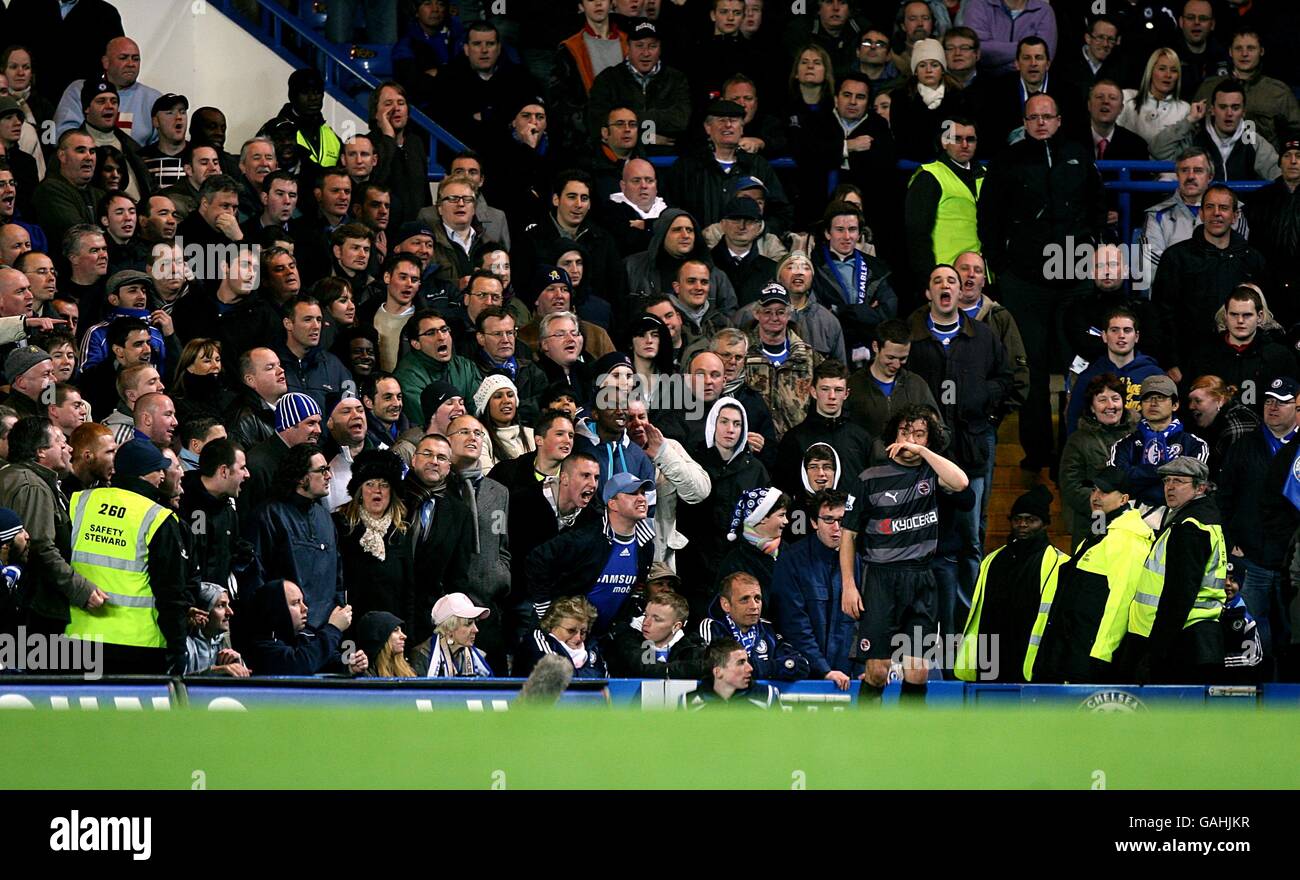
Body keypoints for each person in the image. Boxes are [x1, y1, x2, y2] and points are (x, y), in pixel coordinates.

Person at [978, 92, 1105, 471]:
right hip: (1025, 280)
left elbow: (1097, 204)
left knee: (1078, 364)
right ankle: (1036, 451)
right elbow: (989, 217)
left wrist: (1094, 246)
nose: (1041, 123)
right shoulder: (1007, 161)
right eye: (1033, 117)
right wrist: (1001, 265)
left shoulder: (1079, 154)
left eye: (1047, 116)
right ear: (1024, 122)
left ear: (1060, 119)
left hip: (1075, 275)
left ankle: (1074, 447)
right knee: (1029, 368)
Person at [840, 405, 969, 705]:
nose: (910, 439)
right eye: (904, 432)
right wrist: (849, 584)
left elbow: (961, 482)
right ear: (892, 434)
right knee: (878, 670)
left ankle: (910, 741)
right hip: (880, 581)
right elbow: (848, 535)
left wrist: (922, 452)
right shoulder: (868, 478)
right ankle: (864, 739)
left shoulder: (932, 473)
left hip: (922, 579)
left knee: (919, 671)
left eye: (919, 434)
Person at [63, 439, 188, 674]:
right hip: (138, 643)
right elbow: (171, 591)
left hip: (79, 635)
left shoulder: (80, 502)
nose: (162, 475)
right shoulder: (157, 517)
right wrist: (178, 646)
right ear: (142, 474)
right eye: (157, 469)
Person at [1030, 465, 1153, 683]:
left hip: (1089, 654)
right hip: (1073, 647)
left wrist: (1102, 653)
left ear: (1124, 499)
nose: (1095, 497)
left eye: (1104, 492)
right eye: (1094, 490)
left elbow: (1121, 600)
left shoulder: (1126, 539)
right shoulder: (1101, 531)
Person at [1150, 186, 1268, 384]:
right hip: (1188, 366)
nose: (1217, 213)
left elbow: (1263, 317)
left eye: (1223, 207)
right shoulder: (1176, 257)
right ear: (1202, 213)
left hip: (1240, 366)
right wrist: (1170, 362)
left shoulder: (1253, 259)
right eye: (1210, 207)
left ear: (1235, 215)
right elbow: (1162, 313)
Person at [1216, 377, 1298, 662]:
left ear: (1297, 406)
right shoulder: (1243, 445)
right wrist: (1232, 542)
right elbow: (1224, 499)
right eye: (1268, 401)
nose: (1273, 407)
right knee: (1248, 639)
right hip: (1253, 560)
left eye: (1282, 402)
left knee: (1292, 640)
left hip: (1294, 565)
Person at [1124, 457, 1226, 683]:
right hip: (1195, 635)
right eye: (1167, 480)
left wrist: (1158, 648)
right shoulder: (1199, 518)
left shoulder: (1190, 526)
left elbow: (1180, 592)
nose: (1169, 487)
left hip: (1184, 639)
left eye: (1179, 481)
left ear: (1200, 487)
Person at [0, 417, 105, 636]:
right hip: (35, 608)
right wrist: (81, 589)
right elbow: (39, 548)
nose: (68, 447)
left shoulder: (12, 475)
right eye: (60, 442)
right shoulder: (32, 486)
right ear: (41, 452)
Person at [956, 485, 1068, 683]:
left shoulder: (1059, 563)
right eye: (1018, 519)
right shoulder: (992, 560)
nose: (1023, 524)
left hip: (1032, 659)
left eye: (1031, 520)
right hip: (992, 656)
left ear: (1044, 524)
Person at [528, 471, 655, 635]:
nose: (641, 499)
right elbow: (536, 559)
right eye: (632, 493)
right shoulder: (585, 538)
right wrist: (546, 610)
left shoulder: (645, 545)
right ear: (612, 504)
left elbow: (636, 590)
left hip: (604, 638)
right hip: (564, 634)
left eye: (643, 493)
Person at [248, 443, 345, 629]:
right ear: (301, 478)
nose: (329, 476)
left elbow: (337, 574)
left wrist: (338, 613)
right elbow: (257, 577)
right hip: (286, 631)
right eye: (322, 470)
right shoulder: (268, 516)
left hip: (327, 629)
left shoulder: (325, 517)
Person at [401, 432, 475, 647]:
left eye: (442, 457)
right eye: (427, 454)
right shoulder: (392, 498)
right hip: (389, 608)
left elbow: (458, 575)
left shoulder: (460, 513)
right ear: (414, 460)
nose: (434, 461)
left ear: (449, 467)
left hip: (430, 616)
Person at [809, 202, 897, 367]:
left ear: (859, 234)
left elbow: (888, 312)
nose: (847, 236)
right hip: (828, 356)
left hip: (871, 356)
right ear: (828, 233)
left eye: (852, 230)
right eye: (840, 230)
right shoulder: (812, 268)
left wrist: (840, 311)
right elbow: (818, 316)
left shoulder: (877, 268)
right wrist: (866, 312)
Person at [335, 450, 414, 626]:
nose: (377, 490)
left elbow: (408, 591)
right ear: (359, 491)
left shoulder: (400, 532)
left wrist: (407, 634)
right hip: (353, 628)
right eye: (369, 484)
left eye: (384, 484)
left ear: (392, 492)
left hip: (392, 629)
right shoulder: (341, 526)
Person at [1108, 375, 1210, 512]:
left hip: (1178, 518)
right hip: (1132, 518)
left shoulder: (1196, 445)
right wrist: (1165, 471)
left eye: (1161, 397)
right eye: (1147, 398)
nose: (1153, 403)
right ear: (1140, 405)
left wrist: (1138, 474)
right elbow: (1117, 483)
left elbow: (1189, 488)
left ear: (1175, 405)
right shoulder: (1123, 444)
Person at [1060, 374, 1139, 549]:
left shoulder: (1139, 435)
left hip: (1134, 520)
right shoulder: (1078, 440)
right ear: (1092, 407)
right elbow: (1070, 485)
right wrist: (1102, 504)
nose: (1110, 406)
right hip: (1095, 520)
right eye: (1102, 400)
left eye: (1115, 399)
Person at [1193, 28, 1300, 152]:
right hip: (1214, 165)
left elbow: (1296, 133)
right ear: (1230, 52)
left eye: (1251, 48)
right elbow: (1193, 129)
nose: (1244, 54)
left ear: (1261, 51)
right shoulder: (1208, 87)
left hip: (1262, 167)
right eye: (1238, 48)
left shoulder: (1278, 92)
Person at [1142, 147, 1248, 273]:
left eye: (1198, 170)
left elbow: (1237, 259)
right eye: (1184, 170)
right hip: (1174, 288)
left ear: (1210, 176)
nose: (1190, 176)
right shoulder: (1156, 215)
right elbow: (1149, 265)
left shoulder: (1234, 213)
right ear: (1177, 175)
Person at [1151, 79, 1280, 180]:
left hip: (1240, 211)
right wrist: (1189, 120)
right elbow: (1157, 151)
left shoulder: (1251, 139)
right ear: (1212, 110)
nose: (1229, 113)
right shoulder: (1197, 135)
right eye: (1223, 107)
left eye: (1235, 108)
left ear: (1244, 112)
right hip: (1201, 210)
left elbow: (1278, 173)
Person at [903, 115, 982, 283]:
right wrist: (928, 278)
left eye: (970, 139)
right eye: (957, 139)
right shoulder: (929, 176)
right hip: (944, 275)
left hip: (981, 274)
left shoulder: (986, 175)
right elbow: (917, 233)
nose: (965, 145)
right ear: (944, 142)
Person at [1187, 285, 1296, 405]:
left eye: (1247, 315)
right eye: (1234, 314)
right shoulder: (1205, 356)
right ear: (1225, 316)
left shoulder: (1279, 356)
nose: (1240, 320)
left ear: (1259, 317)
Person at [236, 578, 368, 676]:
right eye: (295, 603)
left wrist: (349, 664)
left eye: (303, 601)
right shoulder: (260, 644)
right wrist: (333, 628)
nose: (305, 608)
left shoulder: (304, 636)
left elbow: (327, 660)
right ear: (277, 608)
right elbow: (299, 664)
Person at [1065, 307, 1165, 434]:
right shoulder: (1089, 376)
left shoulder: (1155, 374)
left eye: (1127, 330)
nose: (1121, 335)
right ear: (1104, 336)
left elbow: (1169, 418)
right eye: (1114, 330)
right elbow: (1074, 420)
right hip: (1101, 447)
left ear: (1136, 336)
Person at [699, 569, 808, 681]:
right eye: (745, 599)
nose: (754, 606)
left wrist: (754, 668)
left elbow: (802, 665)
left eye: (757, 598)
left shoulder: (768, 629)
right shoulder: (713, 628)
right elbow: (715, 668)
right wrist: (776, 666)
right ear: (725, 604)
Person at [1244, 130, 1300, 321]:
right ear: (1280, 161)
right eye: (1287, 156)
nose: (1293, 161)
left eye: (1299, 156)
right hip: (1269, 285)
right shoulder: (1260, 199)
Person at [607, 588, 710, 678]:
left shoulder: (694, 650)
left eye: (657, 619)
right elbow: (645, 667)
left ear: (676, 626)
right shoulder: (628, 641)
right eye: (646, 615)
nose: (646, 623)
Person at [512, 595, 607, 679]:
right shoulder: (537, 644)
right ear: (552, 626)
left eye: (583, 632)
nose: (578, 638)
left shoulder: (591, 646)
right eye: (571, 631)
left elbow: (606, 682)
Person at [1186, 374, 1260, 479]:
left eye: (1198, 401)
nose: (1191, 406)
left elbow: (1236, 478)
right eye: (1190, 401)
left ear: (1220, 400)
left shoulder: (1236, 427)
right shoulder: (1213, 423)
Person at [1117, 48, 1191, 147]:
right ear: (1150, 71)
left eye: (1173, 70)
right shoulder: (1127, 98)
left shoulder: (1184, 109)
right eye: (1162, 69)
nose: (1168, 75)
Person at [681, 637, 779, 708]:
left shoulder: (767, 696)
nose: (750, 668)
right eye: (741, 663)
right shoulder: (688, 703)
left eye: (747, 661)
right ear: (718, 672)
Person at [414, 591, 493, 677]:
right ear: (449, 629)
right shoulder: (423, 656)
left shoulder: (478, 658)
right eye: (468, 624)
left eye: (475, 623)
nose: (476, 630)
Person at [184, 583, 249, 676]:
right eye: (221, 605)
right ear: (201, 612)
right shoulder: (184, 643)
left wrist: (238, 664)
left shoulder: (221, 641)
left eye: (228, 605)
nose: (230, 612)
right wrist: (213, 672)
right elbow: (170, 683)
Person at [354, 611, 417, 678]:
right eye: (395, 630)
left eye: (401, 631)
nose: (404, 636)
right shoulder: (365, 677)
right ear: (380, 637)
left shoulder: (407, 671)